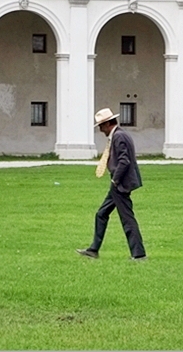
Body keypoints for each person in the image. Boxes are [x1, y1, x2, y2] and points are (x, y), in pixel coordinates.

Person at [77, 107, 147, 261]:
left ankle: (139, 254)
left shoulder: (119, 137)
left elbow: (124, 160)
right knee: (101, 214)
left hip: (120, 184)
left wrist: (115, 180)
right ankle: (93, 249)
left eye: (101, 126)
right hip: (119, 183)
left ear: (108, 123)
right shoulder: (120, 135)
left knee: (127, 218)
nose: (101, 130)